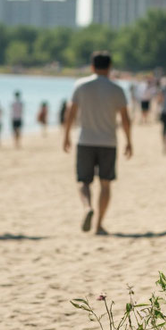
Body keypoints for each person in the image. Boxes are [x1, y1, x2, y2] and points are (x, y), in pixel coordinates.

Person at [63, 50, 132, 235]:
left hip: (85, 140)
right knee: (105, 184)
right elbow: (125, 118)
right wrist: (129, 141)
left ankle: (87, 207)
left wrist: (66, 136)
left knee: (83, 182)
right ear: (110, 67)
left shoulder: (81, 85)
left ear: (92, 66)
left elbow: (70, 113)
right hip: (109, 141)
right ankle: (99, 224)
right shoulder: (117, 89)